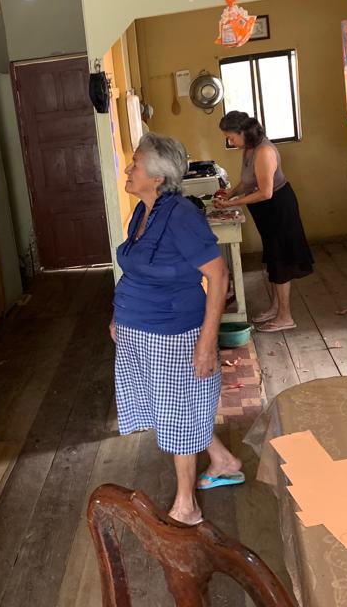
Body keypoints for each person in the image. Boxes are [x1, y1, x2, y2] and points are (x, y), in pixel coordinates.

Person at [111, 133, 244, 525]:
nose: (128, 169)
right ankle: (223, 460)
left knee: (178, 411)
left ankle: (187, 505)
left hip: (172, 333)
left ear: (157, 177)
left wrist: (207, 342)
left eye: (135, 164)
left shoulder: (181, 215)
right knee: (170, 407)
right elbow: (136, 270)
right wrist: (118, 315)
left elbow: (218, 276)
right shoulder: (144, 210)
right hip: (139, 330)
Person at [215, 111, 313, 332]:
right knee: (273, 257)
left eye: (231, 137)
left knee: (282, 259)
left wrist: (232, 204)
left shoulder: (264, 151)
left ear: (243, 132)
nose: (230, 141)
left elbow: (266, 192)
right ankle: (276, 308)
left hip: (278, 207)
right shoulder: (249, 149)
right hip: (265, 210)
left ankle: (285, 317)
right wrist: (230, 194)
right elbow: (247, 181)